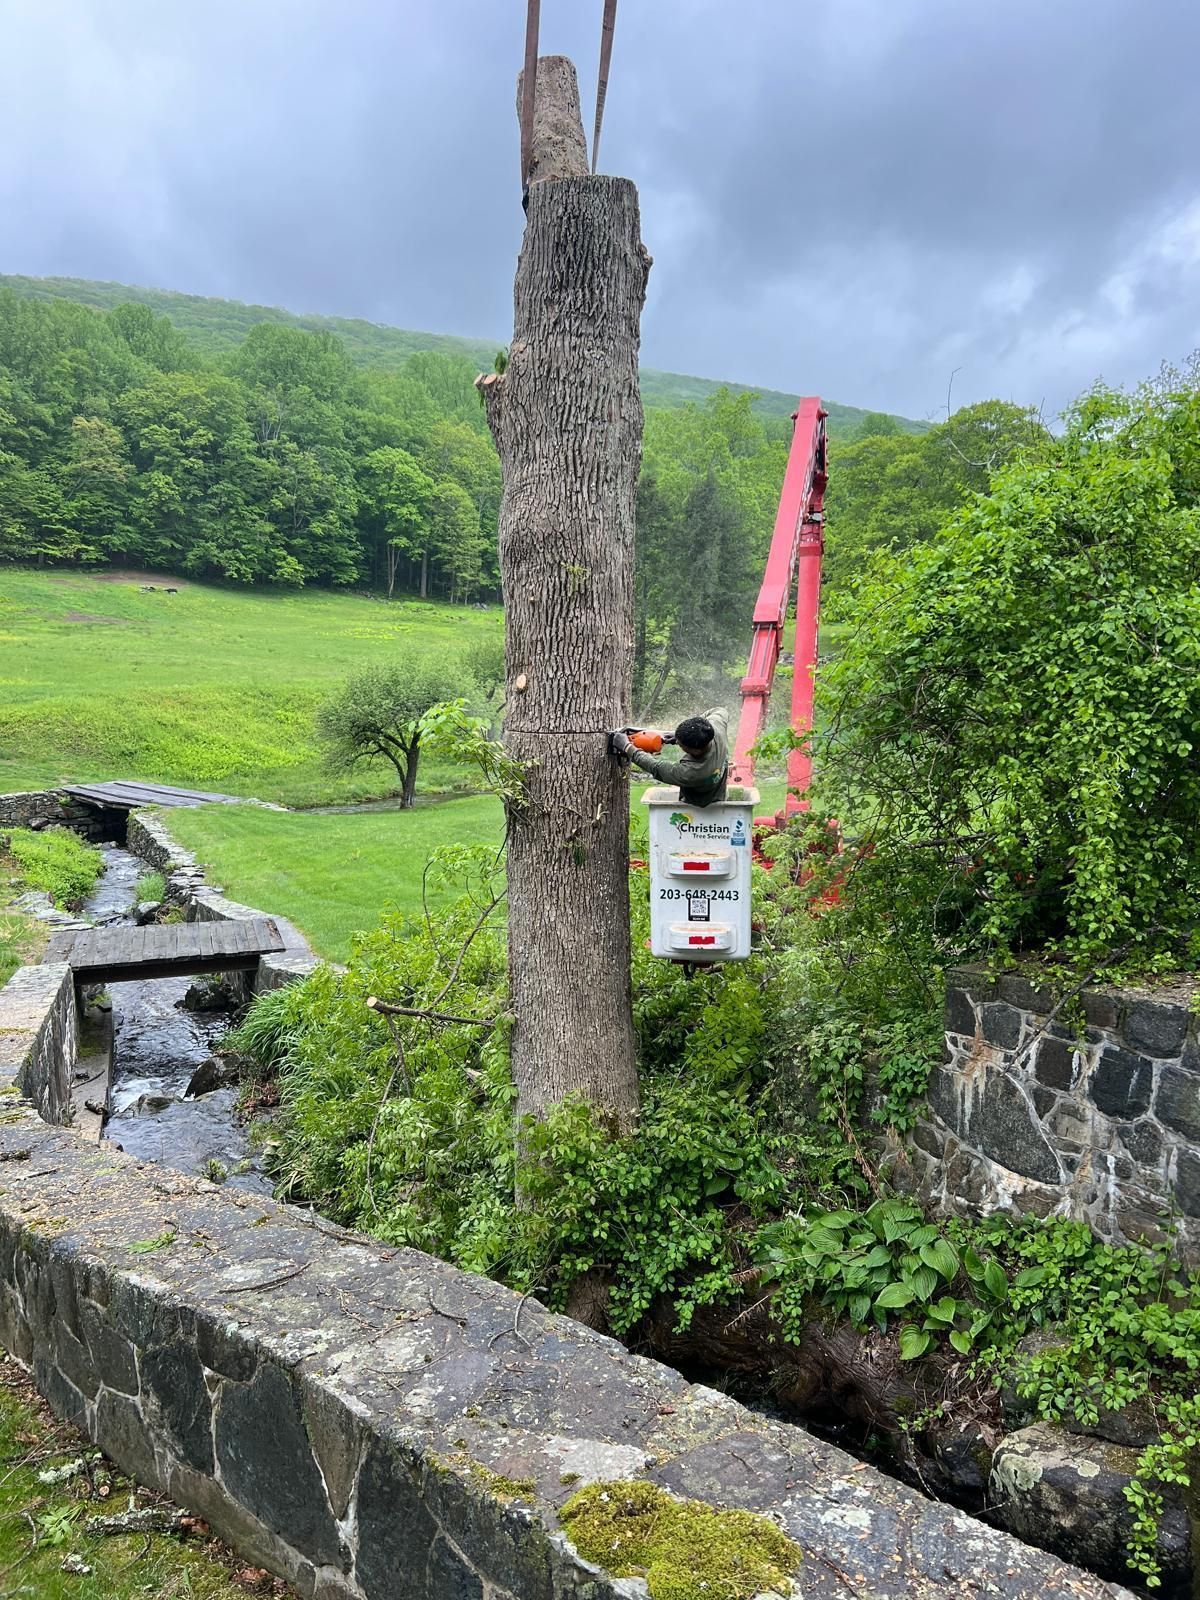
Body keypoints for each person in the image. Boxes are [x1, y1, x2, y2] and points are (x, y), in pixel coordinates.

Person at [611, 708, 729, 807]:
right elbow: (721, 710)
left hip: (697, 808)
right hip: (719, 795)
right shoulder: (716, 727)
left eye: (681, 744)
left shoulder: (692, 772)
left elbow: (656, 767)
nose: (677, 742)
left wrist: (627, 747)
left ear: (696, 750)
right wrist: (679, 733)